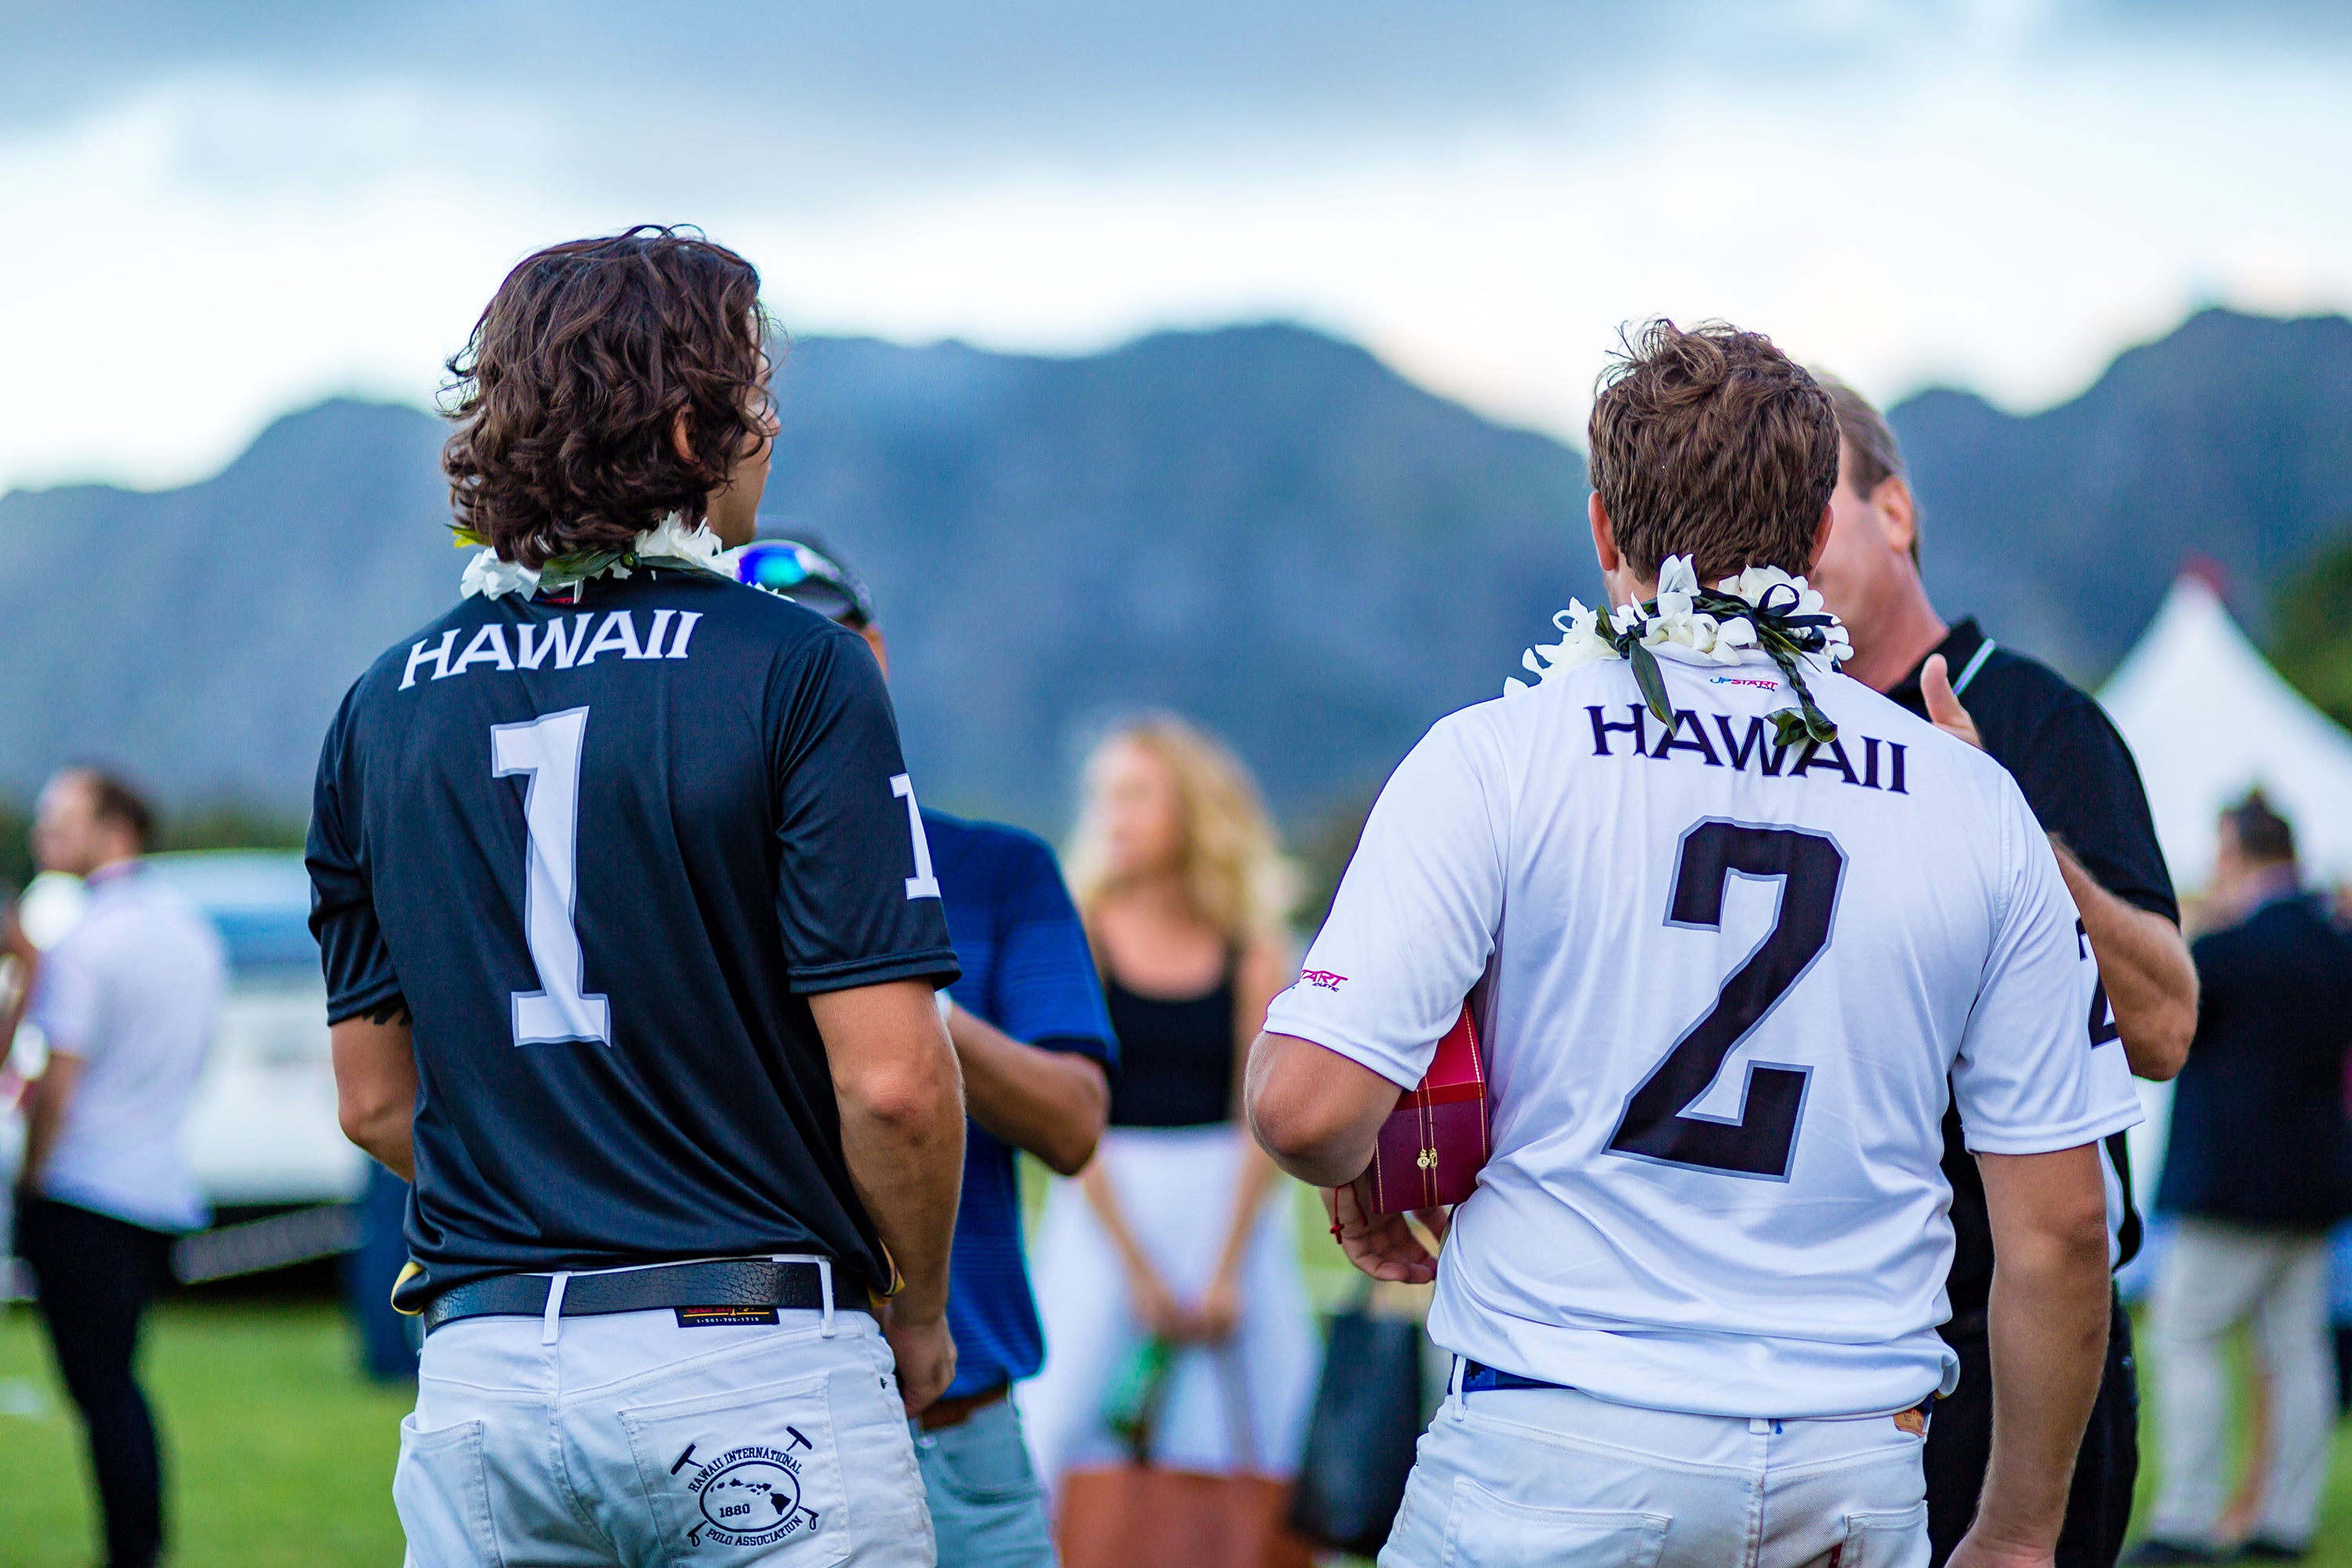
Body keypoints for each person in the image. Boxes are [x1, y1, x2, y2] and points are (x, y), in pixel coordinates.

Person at [1248, 320, 2136, 1568]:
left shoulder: (1501, 755)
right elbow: (2062, 1227)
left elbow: (1305, 1110)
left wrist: (1376, 1171)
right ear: (1818, 532)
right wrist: (2019, 1533)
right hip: (1853, 1462)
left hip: (1559, 1442)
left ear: (1607, 532)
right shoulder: (1975, 801)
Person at [310, 228, 967, 1567]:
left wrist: (556, 1194)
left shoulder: (380, 705)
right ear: (689, 426)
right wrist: (921, 1307)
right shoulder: (801, 667)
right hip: (746, 1345)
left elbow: (374, 1099)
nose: (770, 433)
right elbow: (893, 1085)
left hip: (485, 1370)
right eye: (757, 400)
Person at [1803, 377, 2200, 1568]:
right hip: (1815, 1348)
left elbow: (2165, 1024)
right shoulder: (1757, 741)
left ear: (1897, 511)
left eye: (1810, 508)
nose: (1783, 547)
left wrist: (2007, 830)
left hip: (2011, 1345)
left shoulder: (2035, 721)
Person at [733, 534, 1119, 1568]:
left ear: (875, 658)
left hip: (958, 1420)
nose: (792, 683)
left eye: (819, 649)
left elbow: (1076, 1126)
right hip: (740, 1413)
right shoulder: (678, 883)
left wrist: (892, 999)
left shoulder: (1000, 870)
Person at [1022, 717, 1317, 1496]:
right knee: (1060, 1423)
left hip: (1226, 1209)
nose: (1113, 815)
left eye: (1136, 795)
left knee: (1251, 1438)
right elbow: (1067, 1109)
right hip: (1104, 1202)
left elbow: (1262, 1116)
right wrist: (1138, 1268)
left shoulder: (1251, 947)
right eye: (1105, 796)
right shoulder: (1079, 932)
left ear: (1190, 808)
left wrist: (1223, 1265)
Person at [2132, 793, 2352, 1563]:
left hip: (2226, 1183)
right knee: (2298, 1351)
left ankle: (2187, 1517)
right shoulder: (2339, 946)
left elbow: (2168, 1036)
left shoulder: (2226, 950)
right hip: (2317, 1182)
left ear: (2235, 852)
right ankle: (2283, 1520)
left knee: (2185, 1336)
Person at [14, 767, 224, 1568]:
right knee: (120, 1384)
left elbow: (55, 1079)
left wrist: (30, 1176)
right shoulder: (190, 929)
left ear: (114, 827)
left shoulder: (87, 938)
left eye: (59, 817)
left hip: (84, 1188)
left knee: (103, 1392)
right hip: (160, 1186)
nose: (43, 833)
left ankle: (134, 1549)